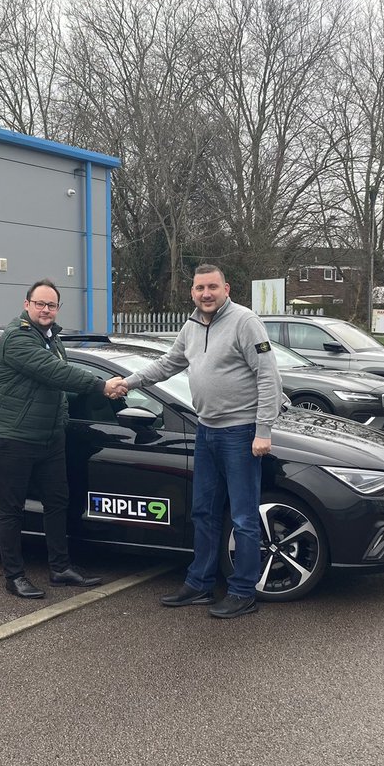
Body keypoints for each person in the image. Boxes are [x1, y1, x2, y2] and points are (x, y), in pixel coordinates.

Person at [107, 264, 282, 619]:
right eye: (200, 287)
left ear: (226, 288)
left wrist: (263, 430)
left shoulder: (245, 322)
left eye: (212, 287)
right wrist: (129, 381)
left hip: (240, 432)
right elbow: (167, 364)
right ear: (192, 292)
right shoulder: (190, 326)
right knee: (203, 512)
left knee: (244, 517)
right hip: (206, 431)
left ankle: (243, 591)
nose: (206, 293)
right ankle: (200, 583)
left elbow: (268, 376)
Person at [0, 279, 118, 599]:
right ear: (26, 305)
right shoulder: (16, 338)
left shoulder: (52, 338)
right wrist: (102, 386)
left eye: (51, 305)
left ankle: (60, 568)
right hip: (11, 437)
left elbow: (58, 386)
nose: (46, 310)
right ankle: (14, 576)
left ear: (57, 309)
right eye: (40, 304)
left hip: (48, 438)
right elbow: (53, 372)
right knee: (10, 510)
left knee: (57, 503)